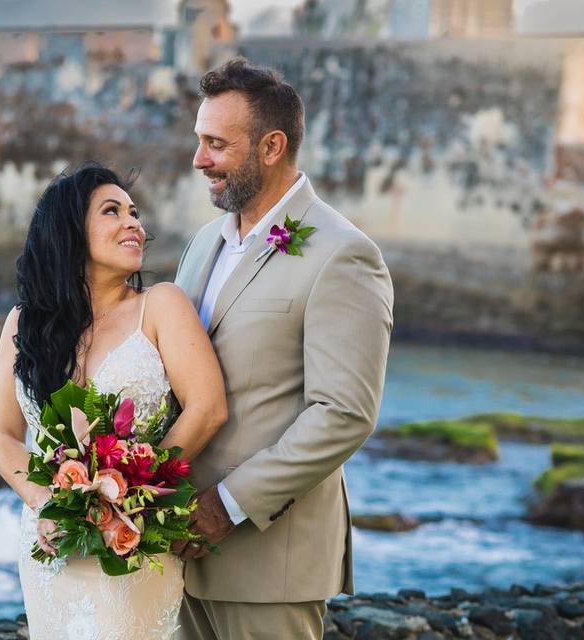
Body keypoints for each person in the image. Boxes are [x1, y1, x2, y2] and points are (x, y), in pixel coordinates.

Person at [173, 57, 394, 639]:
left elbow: (344, 413)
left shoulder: (343, 254)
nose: (199, 160)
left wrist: (227, 505)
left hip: (269, 561)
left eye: (217, 144)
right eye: (200, 141)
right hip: (174, 552)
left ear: (271, 146)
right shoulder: (203, 243)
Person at [0, 163, 228, 639]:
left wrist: (131, 490)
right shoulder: (22, 323)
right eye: (112, 211)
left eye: (135, 213)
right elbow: (4, 434)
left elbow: (208, 407)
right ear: (70, 232)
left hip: (132, 540)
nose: (133, 223)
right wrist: (47, 502)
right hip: (51, 544)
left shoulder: (160, 305)